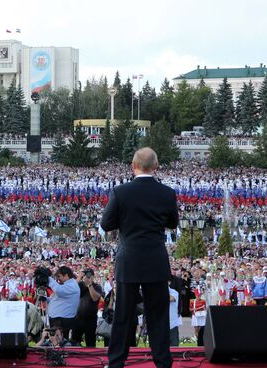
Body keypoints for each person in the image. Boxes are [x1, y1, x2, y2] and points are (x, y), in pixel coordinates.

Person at [101, 147, 179, 368]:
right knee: (158, 316)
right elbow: (172, 223)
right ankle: (163, 362)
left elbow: (106, 224)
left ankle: (116, 362)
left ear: (133, 166)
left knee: (123, 316)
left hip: (129, 261)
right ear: (156, 167)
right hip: (155, 260)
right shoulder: (167, 193)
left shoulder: (120, 192)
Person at [72, 268, 103, 347]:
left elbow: (95, 298)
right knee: (74, 342)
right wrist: (79, 277)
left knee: (90, 343)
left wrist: (89, 284)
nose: (87, 277)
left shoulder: (97, 286)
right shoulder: (80, 285)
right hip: (78, 318)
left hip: (90, 319)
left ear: (93, 277)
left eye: (89, 275)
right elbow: (71, 289)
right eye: (86, 275)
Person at [47, 266, 80, 339]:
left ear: (66, 275)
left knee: (59, 342)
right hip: (58, 319)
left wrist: (48, 279)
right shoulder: (67, 285)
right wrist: (46, 299)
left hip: (62, 320)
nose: (58, 279)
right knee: (56, 341)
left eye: (59, 276)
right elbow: (57, 298)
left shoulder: (72, 285)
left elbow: (59, 291)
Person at [168, 281, 180, 347]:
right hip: (161, 325)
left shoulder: (174, 292)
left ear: (169, 282)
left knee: (174, 347)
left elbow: (170, 298)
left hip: (172, 325)